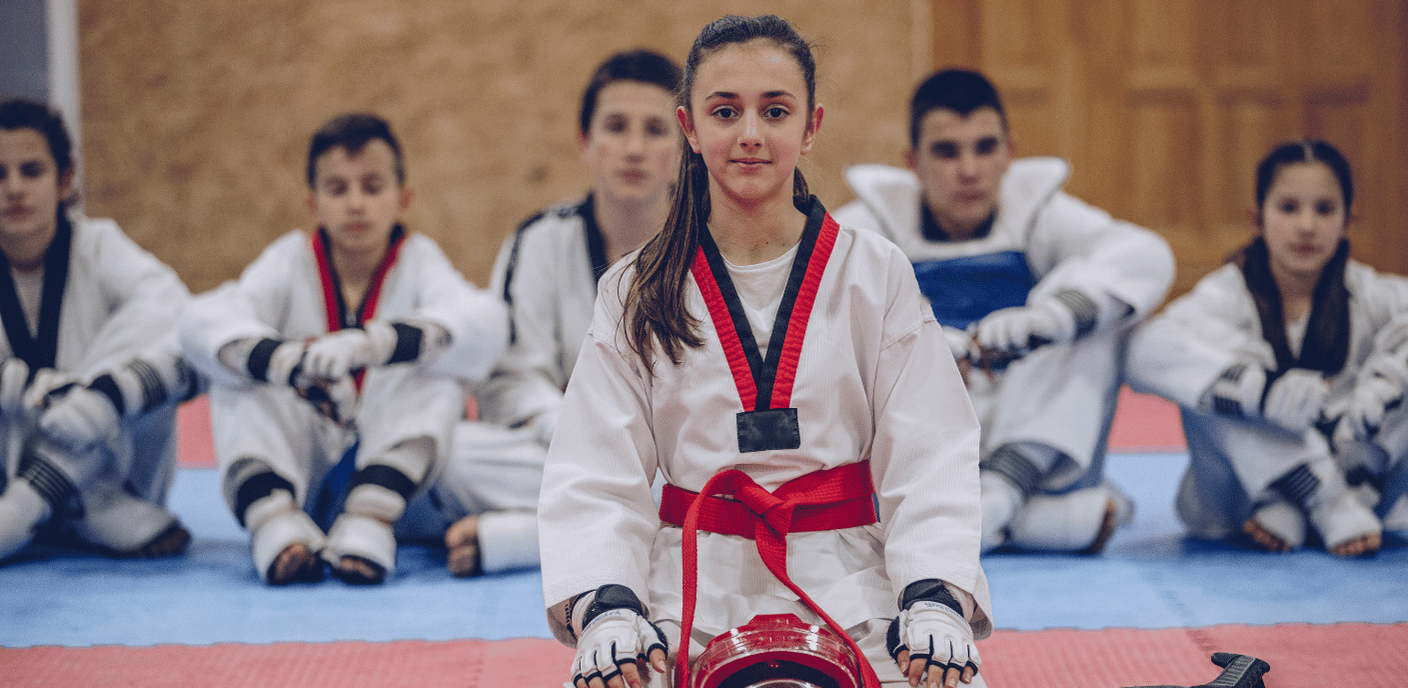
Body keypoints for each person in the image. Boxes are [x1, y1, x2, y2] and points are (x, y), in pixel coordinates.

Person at [539, 15, 990, 688]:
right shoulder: (635, 289)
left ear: (811, 128)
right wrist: (608, 606)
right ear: (689, 127)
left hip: (853, 582)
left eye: (774, 111)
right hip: (688, 590)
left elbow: (930, 451)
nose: (750, 134)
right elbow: (594, 469)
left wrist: (932, 595)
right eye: (725, 111)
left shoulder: (873, 271)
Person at [833, 68, 1175, 554]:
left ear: (1010, 153)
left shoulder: (1038, 212)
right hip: (926, 444)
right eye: (947, 151)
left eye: (985, 148)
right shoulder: (868, 225)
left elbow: (1147, 255)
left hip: (1034, 430)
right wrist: (918, 339)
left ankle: (995, 497)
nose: (969, 170)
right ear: (913, 162)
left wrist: (1050, 319)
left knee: (1098, 313)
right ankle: (1032, 521)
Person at [180, 113, 507, 585]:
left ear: (403, 199)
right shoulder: (289, 260)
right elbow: (200, 320)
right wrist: (283, 362)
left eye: (372, 187)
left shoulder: (419, 262)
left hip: (397, 490)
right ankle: (274, 522)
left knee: (437, 369)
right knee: (236, 370)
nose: (356, 204)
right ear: (312, 203)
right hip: (300, 480)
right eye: (337, 189)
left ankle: (369, 517)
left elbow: (486, 322)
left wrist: (378, 344)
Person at [439, 49, 682, 577]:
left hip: (673, 462)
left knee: (721, 479)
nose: (635, 149)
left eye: (656, 130)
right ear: (585, 145)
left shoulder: (709, 252)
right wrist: (578, 432)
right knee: (448, 453)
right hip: (559, 448)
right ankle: (632, 534)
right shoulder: (538, 242)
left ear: (685, 146)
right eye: (616, 127)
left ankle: (524, 539)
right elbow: (508, 383)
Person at [1127, 139, 1405, 557]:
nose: (1307, 226)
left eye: (1325, 209)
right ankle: (1310, 491)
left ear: (1349, 219)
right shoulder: (1226, 294)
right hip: (1240, 504)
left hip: (1362, 490)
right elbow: (1143, 352)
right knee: (1212, 383)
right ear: (1257, 218)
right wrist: (1263, 391)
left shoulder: (1374, 295)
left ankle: (1319, 494)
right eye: (1289, 207)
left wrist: (1385, 387)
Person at [0, 98, 198, 562]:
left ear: (64, 180)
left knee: (174, 334)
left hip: (107, 463)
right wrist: (32, 388)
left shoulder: (100, 247)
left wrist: (93, 398)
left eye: (31, 171)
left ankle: (45, 497)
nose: (14, 188)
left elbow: (178, 316)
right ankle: (77, 506)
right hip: (8, 459)